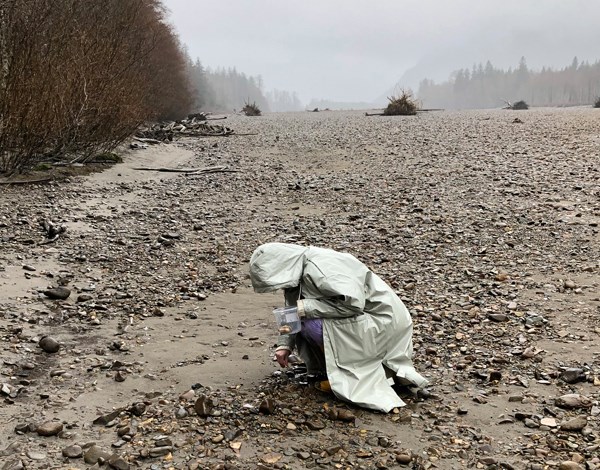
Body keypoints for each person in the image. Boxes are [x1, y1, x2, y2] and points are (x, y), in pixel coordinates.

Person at [249, 242, 428, 412]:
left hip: (383, 323)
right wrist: (284, 345)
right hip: (366, 320)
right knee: (303, 316)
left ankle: (342, 375)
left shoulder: (323, 269)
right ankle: (332, 368)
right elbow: (291, 311)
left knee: (310, 323)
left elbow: (353, 305)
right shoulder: (295, 269)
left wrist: (305, 307)